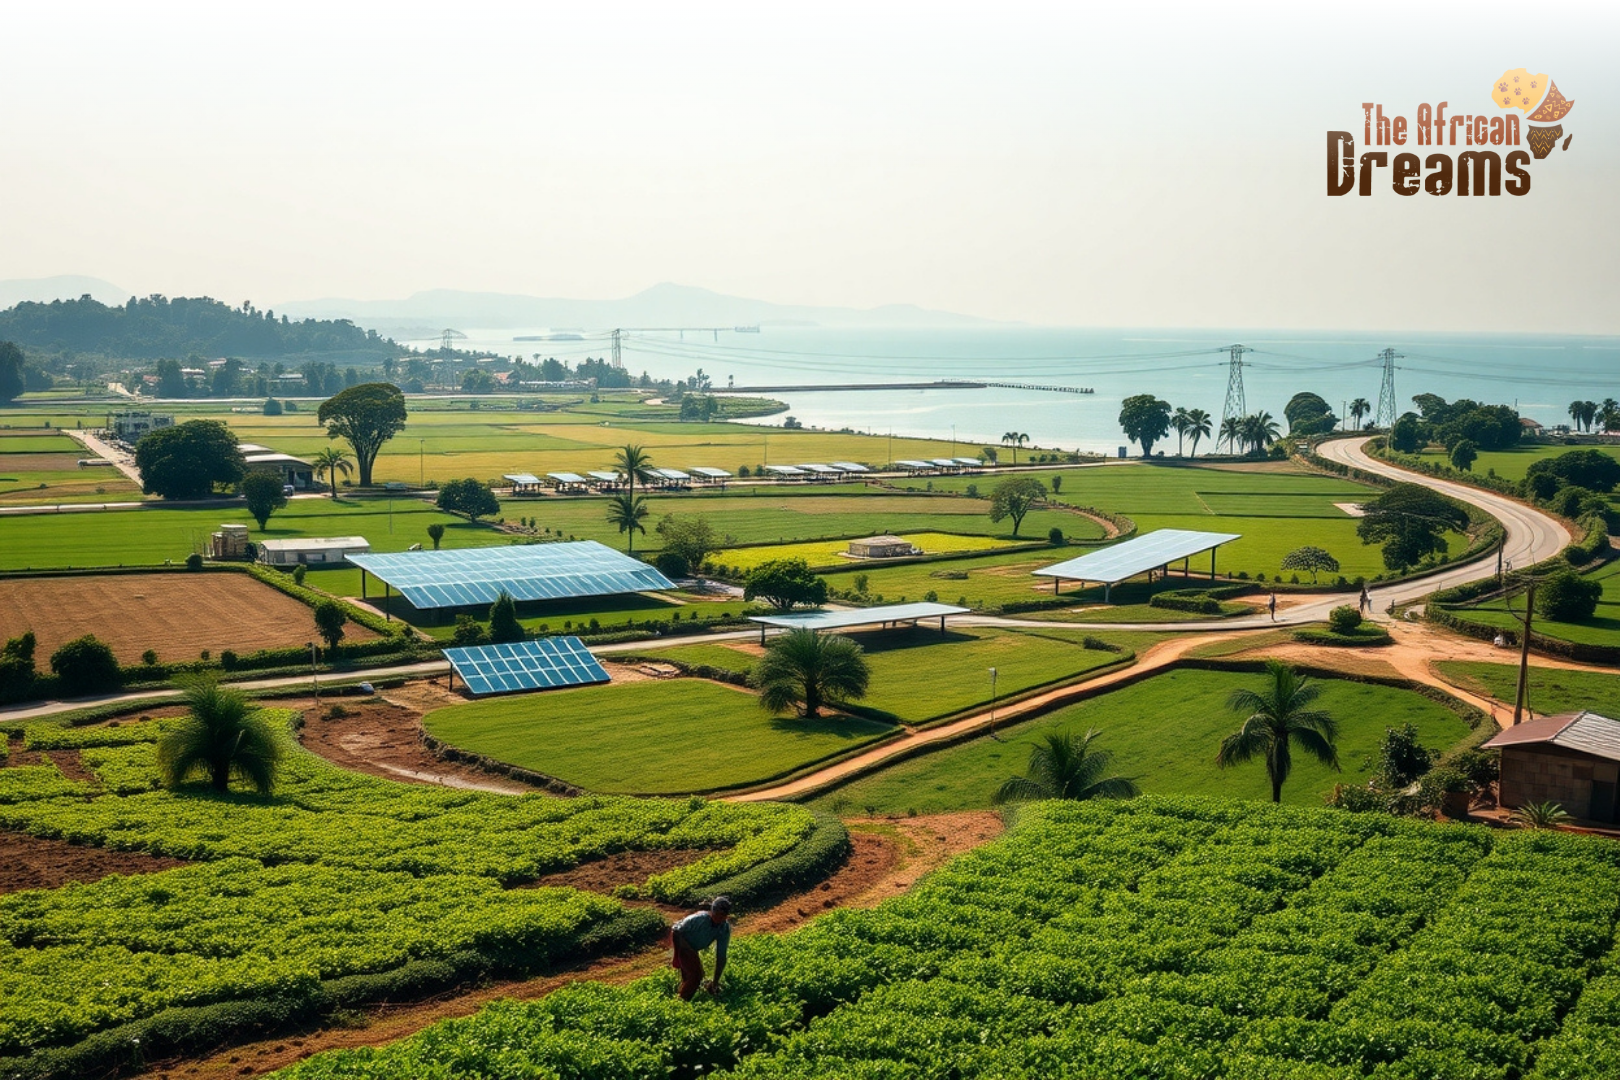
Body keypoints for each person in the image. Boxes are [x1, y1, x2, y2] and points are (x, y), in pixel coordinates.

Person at [670, 896, 732, 1001]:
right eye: (718, 914)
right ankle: (681, 1002)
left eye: (724, 916)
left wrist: (715, 982)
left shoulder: (724, 929)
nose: (721, 918)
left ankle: (682, 997)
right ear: (713, 912)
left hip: (693, 948)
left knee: (692, 975)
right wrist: (685, 951)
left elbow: (721, 957)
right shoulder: (699, 919)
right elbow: (676, 931)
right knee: (696, 975)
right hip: (682, 942)